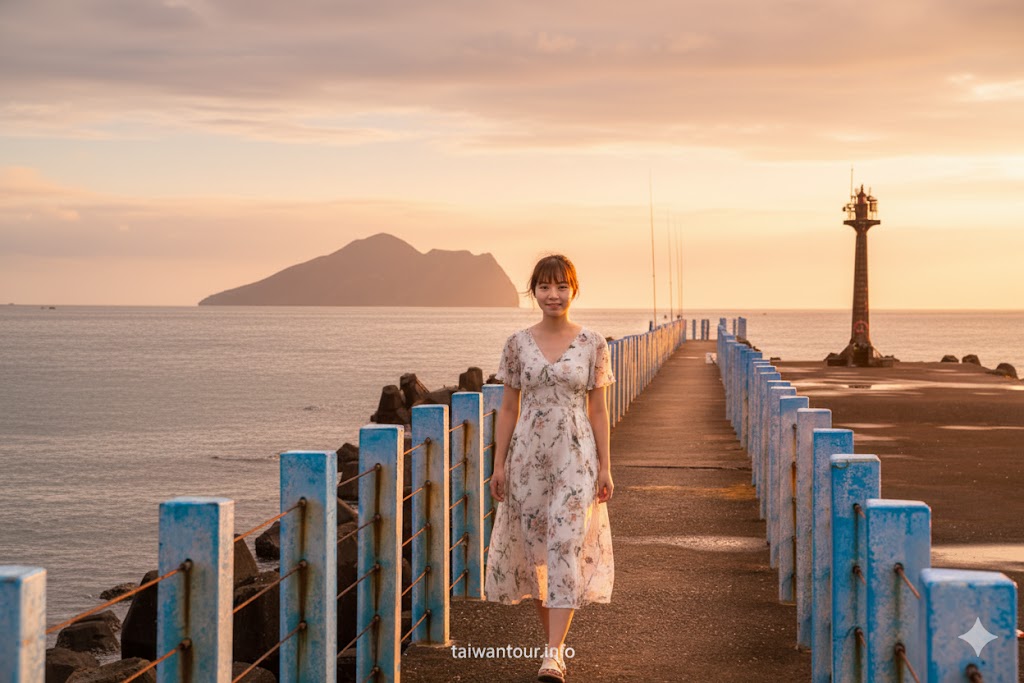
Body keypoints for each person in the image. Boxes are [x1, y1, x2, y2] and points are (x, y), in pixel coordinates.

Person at [485, 254, 615, 683]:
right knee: (539, 552)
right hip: (528, 459)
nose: (553, 295)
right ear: (534, 291)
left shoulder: (594, 343)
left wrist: (605, 467)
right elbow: (507, 407)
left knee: (565, 545)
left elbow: (598, 409)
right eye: (544, 287)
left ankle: (553, 657)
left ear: (573, 289)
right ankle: (552, 648)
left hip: (576, 458)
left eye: (561, 286)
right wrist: (498, 464)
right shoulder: (516, 343)